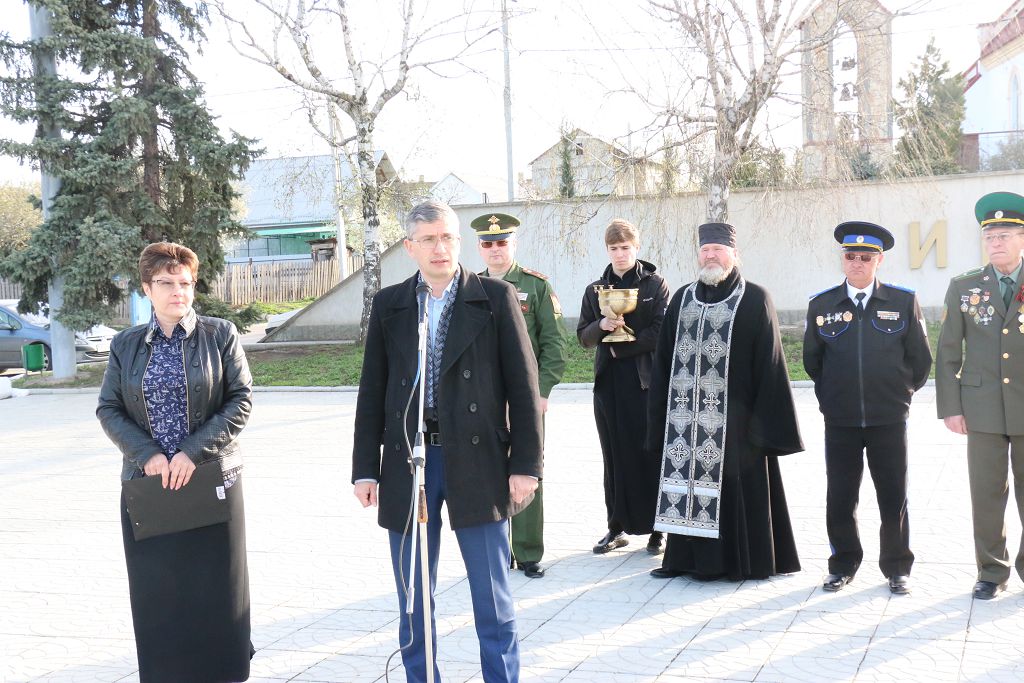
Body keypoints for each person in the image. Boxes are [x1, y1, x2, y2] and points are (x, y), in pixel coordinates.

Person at [352, 200, 543, 682]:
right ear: (409, 246)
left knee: (492, 596)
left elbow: (524, 387)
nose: (441, 248)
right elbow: (372, 390)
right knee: (414, 596)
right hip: (411, 461)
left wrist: (526, 465)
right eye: (429, 239)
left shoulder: (495, 297)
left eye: (448, 238)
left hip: (478, 461)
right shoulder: (391, 304)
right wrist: (365, 468)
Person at [97, 242, 254, 682]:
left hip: (211, 479)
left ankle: (223, 671)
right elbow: (109, 408)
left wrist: (191, 452)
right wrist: (147, 454)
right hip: (150, 485)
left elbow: (240, 401)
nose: (177, 291)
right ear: (147, 288)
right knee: (158, 590)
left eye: (185, 282)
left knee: (217, 587)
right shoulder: (125, 344)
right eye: (166, 283)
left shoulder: (220, 334)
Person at [647, 222, 803, 581]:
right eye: (705, 249)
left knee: (736, 491)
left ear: (735, 254)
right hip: (685, 424)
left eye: (718, 249)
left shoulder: (755, 298)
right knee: (686, 487)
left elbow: (771, 364)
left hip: (738, 425)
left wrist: (763, 427)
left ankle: (739, 563)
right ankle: (684, 561)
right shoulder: (682, 299)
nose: (711, 255)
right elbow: (663, 361)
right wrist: (658, 419)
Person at [803, 221, 932, 595]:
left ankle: (897, 567)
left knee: (893, 496)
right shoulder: (822, 304)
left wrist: (901, 395)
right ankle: (843, 564)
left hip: (888, 418)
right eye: (850, 256)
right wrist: (831, 398)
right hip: (841, 420)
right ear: (842, 259)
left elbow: (920, 359)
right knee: (840, 495)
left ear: (879, 261)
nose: (857, 263)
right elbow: (813, 361)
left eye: (865, 257)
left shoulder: (902, 301)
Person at [937, 190, 1024, 601]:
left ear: (1022, 238)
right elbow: (948, 351)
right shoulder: (965, 286)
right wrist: (951, 408)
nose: (995, 242)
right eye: (989, 236)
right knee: (987, 494)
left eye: (1004, 235)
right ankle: (991, 571)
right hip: (982, 408)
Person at [475, 212, 568, 579]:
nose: (495, 249)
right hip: (482, 398)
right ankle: (496, 549)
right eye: (488, 243)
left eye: (502, 242)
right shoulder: (469, 286)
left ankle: (527, 551)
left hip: (524, 397)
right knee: (485, 470)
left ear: (513, 244)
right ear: (480, 248)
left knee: (526, 467)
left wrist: (540, 392)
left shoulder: (536, 285)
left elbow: (554, 344)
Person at [578, 219, 670, 555]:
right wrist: (602, 325)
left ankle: (659, 529)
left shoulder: (655, 284)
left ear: (636, 247)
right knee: (614, 456)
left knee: (650, 453)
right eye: (614, 248)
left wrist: (622, 347)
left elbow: (662, 331)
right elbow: (583, 337)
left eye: (625, 247)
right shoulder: (595, 290)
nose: (620, 254)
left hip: (645, 383)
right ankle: (616, 526)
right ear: (607, 250)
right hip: (609, 385)